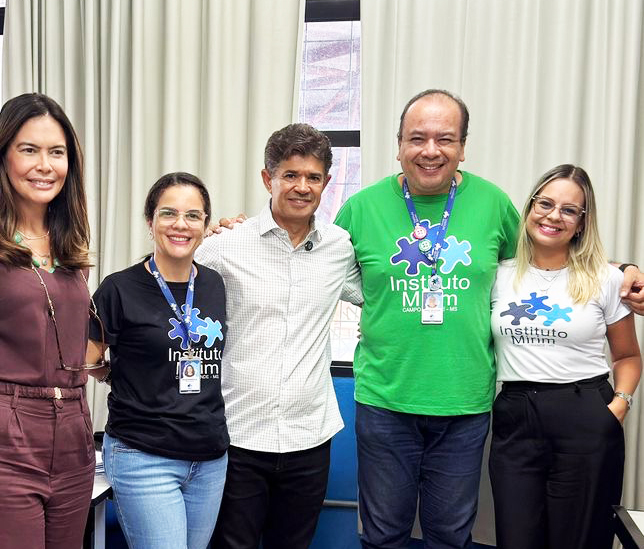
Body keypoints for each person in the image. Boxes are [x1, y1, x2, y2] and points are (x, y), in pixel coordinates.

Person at [335, 89, 644, 549]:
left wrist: (620, 269)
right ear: (398, 143)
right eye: (417, 138)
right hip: (384, 401)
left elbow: (547, 256)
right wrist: (233, 229)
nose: (431, 150)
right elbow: (310, 262)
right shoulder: (361, 209)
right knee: (383, 535)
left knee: (451, 537)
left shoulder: (493, 203)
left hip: (465, 405)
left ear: (463, 146)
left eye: (446, 138)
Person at [0, 92, 96, 549]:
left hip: (73, 432)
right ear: (2, 155)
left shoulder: (71, 245)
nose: (45, 165)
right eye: (29, 149)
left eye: (57, 152)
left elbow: (68, 342)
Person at [196, 123, 363, 549]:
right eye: (290, 175)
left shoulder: (340, 248)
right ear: (268, 178)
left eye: (312, 177)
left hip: (309, 435)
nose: (302, 187)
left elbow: (381, 296)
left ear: (326, 182)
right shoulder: (224, 245)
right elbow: (170, 287)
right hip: (238, 436)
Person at [489, 164, 641, 549]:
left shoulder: (605, 279)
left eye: (569, 210)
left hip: (585, 416)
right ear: (529, 208)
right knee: (517, 538)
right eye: (545, 203)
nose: (554, 215)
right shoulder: (498, 275)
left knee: (579, 539)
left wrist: (618, 405)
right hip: (515, 417)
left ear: (581, 222)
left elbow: (626, 356)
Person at [87, 172, 229, 549]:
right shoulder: (118, 289)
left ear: (205, 225)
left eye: (193, 215)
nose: (180, 224)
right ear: (150, 222)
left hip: (210, 458)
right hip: (144, 455)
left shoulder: (214, 284)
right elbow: (87, 360)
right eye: (168, 213)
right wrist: (117, 376)